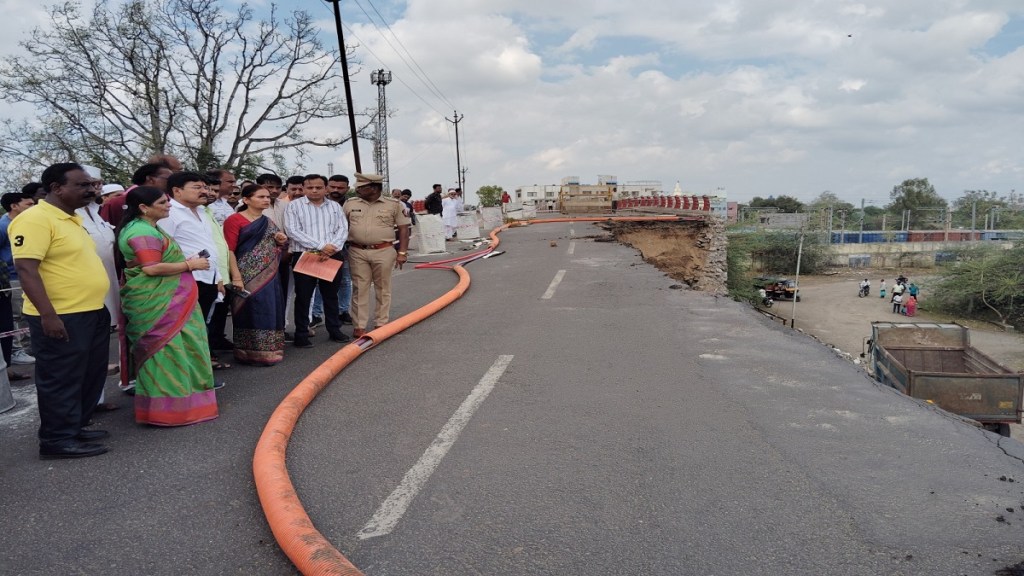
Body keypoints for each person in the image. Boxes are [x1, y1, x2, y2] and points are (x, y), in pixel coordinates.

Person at [11, 162, 111, 459]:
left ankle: (75, 427)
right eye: (82, 185)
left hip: (92, 310)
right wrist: (48, 316)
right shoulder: (35, 219)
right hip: (62, 315)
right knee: (61, 378)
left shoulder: (72, 218)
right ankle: (56, 440)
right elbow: (26, 269)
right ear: (57, 188)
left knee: (88, 375)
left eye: (92, 185)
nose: (91, 190)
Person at [116, 186, 219, 426]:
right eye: (163, 202)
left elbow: (140, 260)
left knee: (179, 349)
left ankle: (182, 405)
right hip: (159, 303)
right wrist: (190, 265)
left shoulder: (147, 227)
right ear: (144, 207)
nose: (169, 205)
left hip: (170, 299)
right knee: (167, 351)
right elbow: (151, 269)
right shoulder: (142, 230)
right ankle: (170, 411)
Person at [158, 172, 232, 368]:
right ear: (177, 191)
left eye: (205, 188)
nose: (204, 192)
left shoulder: (201, 212)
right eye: (197, 187)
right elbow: (164, 249)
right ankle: (188, 374)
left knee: (201, 327)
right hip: (186, 279)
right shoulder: (169, 213)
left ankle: (200, 372)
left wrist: (217, 278)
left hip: (208, 277)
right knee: (187, 329)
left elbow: (209, 245)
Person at [222, 185, 288, 365]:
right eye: (261, 197)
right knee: (249, 310)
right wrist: (236, 277)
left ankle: (270, 350)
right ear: (246, 200)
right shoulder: (234, 220)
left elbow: (275, 245)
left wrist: (280, 240)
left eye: (267, 197)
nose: (266, 200)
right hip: (245, 275)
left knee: (269, 308)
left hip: (269, 275)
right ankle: (247, 352)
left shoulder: (267, 221)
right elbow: (229, 250)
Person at [284, 174, 349, 347]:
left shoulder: (335, 207)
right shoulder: (294, 206)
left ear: (326, 188)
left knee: (331, 295)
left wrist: (332, 247)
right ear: (304, 188)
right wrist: (321, 246)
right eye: (310, 187)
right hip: (306, 255)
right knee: (304, 297)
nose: (314, 190)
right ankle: (301, 334)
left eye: (319, 187)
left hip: (332, 255)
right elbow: (293, 231)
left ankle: (334, 330)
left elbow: (342, 229)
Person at [344, 173, 411, 339]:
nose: (357, 190)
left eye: (361, 187)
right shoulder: (350, 203)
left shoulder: (394, 204)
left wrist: (402, 252)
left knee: (383, 287)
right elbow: (341, 226)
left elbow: (404, 229)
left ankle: (381, 323)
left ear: (374, 188)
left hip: (384, 250)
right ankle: (359, 325)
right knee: (360, 288)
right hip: (357, 250)